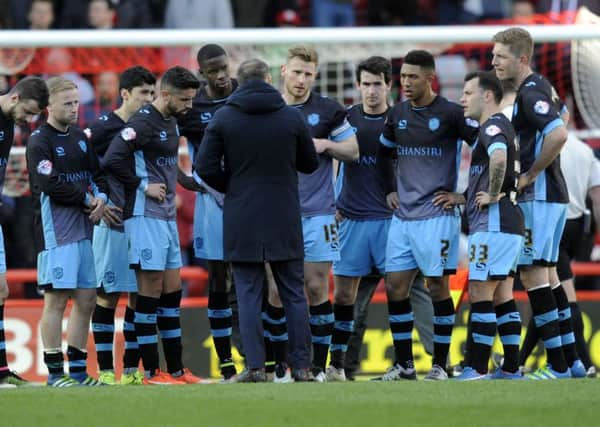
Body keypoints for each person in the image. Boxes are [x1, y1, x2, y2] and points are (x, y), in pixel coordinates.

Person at [196, 58, 319, 383]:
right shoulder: (291, 117)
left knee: (248, 293)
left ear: (239, 80)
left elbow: (204, 167)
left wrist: (233, 186)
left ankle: (254, 368)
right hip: (284, 214)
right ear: (267, 78)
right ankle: (303, 367)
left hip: (242, 216)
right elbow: (309, 164)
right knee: (293, 292)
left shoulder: (224, 117)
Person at [376, 49, 478, 381]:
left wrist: (462, 195)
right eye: (402, 76)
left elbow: (488, 149)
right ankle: (404, 364)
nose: (405, 83)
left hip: (437, 216)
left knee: (437, 286)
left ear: (429, 78)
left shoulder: (451, 114)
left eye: (412, 77)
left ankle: (440, 364)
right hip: (403, 217)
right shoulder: (397, 114)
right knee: (395, 287)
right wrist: (389, 189)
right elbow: (382, 154)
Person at [102, 66, 205, 385]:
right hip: (143, 215)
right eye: (185, 100)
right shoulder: (143, 122)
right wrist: (142, 185)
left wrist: (186, 181)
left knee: (172, 289)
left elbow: (166, 159)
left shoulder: (170, 121)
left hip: (165, 217)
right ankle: (151, 371)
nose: (189, 106)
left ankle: (175, 369)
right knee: (149, 291)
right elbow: (112, 159)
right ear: (166, 94)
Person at [492, 27, 584, 379]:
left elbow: (559, 133)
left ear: (522, 59)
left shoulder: (530, 95)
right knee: (549, 276)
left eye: (500, 56)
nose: (494, 62)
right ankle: (573, 361)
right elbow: (560, 119)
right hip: (552, 198)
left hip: (540, 196)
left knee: (534, 277)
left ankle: (558, 366)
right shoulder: (541, 87)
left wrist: (530, 173)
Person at [275, 45, 358, 382]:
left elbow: (352, 150)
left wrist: (326, 145)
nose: (301, 79)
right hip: (277, 213)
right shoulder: (270, 108)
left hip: (319, 214)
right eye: (296, 72)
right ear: (283, 70)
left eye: (308, 74)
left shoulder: (327, 110)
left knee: (316, 287)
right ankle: (279, 366)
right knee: (275, 291)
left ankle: (319, 367)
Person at [434, 71, 524, 380]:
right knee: (503, 296)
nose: (462, 98)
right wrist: (462, 197)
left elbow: (498, 159)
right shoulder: (503, 125)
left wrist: (495, 193)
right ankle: (512, 367)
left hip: (494, 225)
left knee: (480, 291)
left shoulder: (492, 125)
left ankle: (475, 367)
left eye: (468, 92)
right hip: (509, 223)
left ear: (487, 96)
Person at [27, 76, 108, 387]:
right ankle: (55, 374)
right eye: (68, 103)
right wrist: (88, 199)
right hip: (56, 233)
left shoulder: (79, 137)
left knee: (87, 299)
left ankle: (77, 372)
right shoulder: (39, 141)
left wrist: (102, 198)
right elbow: (50, 184)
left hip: (84, 231)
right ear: (50, 106)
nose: (75, 109)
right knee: (56, 300)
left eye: (76, 102)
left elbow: (96, 174)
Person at [85, 66, 156, 385]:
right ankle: (103, 370)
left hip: (143, 220)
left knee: (139, 296)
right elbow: (79, 164)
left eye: (152, 94)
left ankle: (129, 370)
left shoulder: (151, 125)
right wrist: (95, 200)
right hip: (112, 223)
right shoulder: (102, 128)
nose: (149, 99)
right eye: (143, 93)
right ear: (125, 94)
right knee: (108, 295)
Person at [327, 56, 393, 381]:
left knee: (403, 293)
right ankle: (337, 365)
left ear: (388, 85)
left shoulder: (400, 120)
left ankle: (410, 363)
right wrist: (331, 202)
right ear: (357, 86)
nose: (371, 91)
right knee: (344, 297)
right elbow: (334, 162)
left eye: (377, 84)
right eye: (365, 84)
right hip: (351, 220)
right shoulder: (346, 118)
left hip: (390, 222)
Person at [177, 44, 240, 382]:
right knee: (218, 279)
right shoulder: (192, 106)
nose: (220, 74)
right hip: (211, 202)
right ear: (201, 73)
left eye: (223, 67)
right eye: (212, 70)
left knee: (253, 278)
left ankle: (259, 356)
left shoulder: (245, 95)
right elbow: (159, 139)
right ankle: (226, 362)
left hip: (247, 199)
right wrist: (182, 179)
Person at [518, 132, 600, 378]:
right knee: (551, 288)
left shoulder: (545, 147)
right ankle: (526, 360)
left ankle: (580, 362)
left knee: (552, 289)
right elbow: (596, 197)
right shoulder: (586, 150)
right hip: (580, 225)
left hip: (553, 219)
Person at [0, 76, 48, 388]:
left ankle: (2, 370)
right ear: (15, 97)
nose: (28, 120)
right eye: (28, 112)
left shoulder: (9, 126)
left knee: (1, 291)